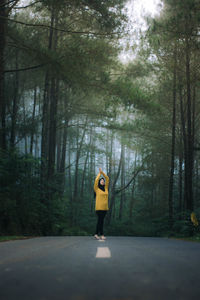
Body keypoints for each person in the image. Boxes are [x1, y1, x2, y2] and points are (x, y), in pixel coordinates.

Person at [93, 167, 109, 240]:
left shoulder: (106, 189)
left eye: (103, 180)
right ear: (99, 182)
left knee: (101, 221)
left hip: (105, 208)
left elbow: (107, 178)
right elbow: (96, 180)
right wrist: (99, 173)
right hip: (99, 208)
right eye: (101, 180)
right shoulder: (97, 189)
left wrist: (103, 173)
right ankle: (101, 234)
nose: (102, 181)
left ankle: (96, 234)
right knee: (100, 220)